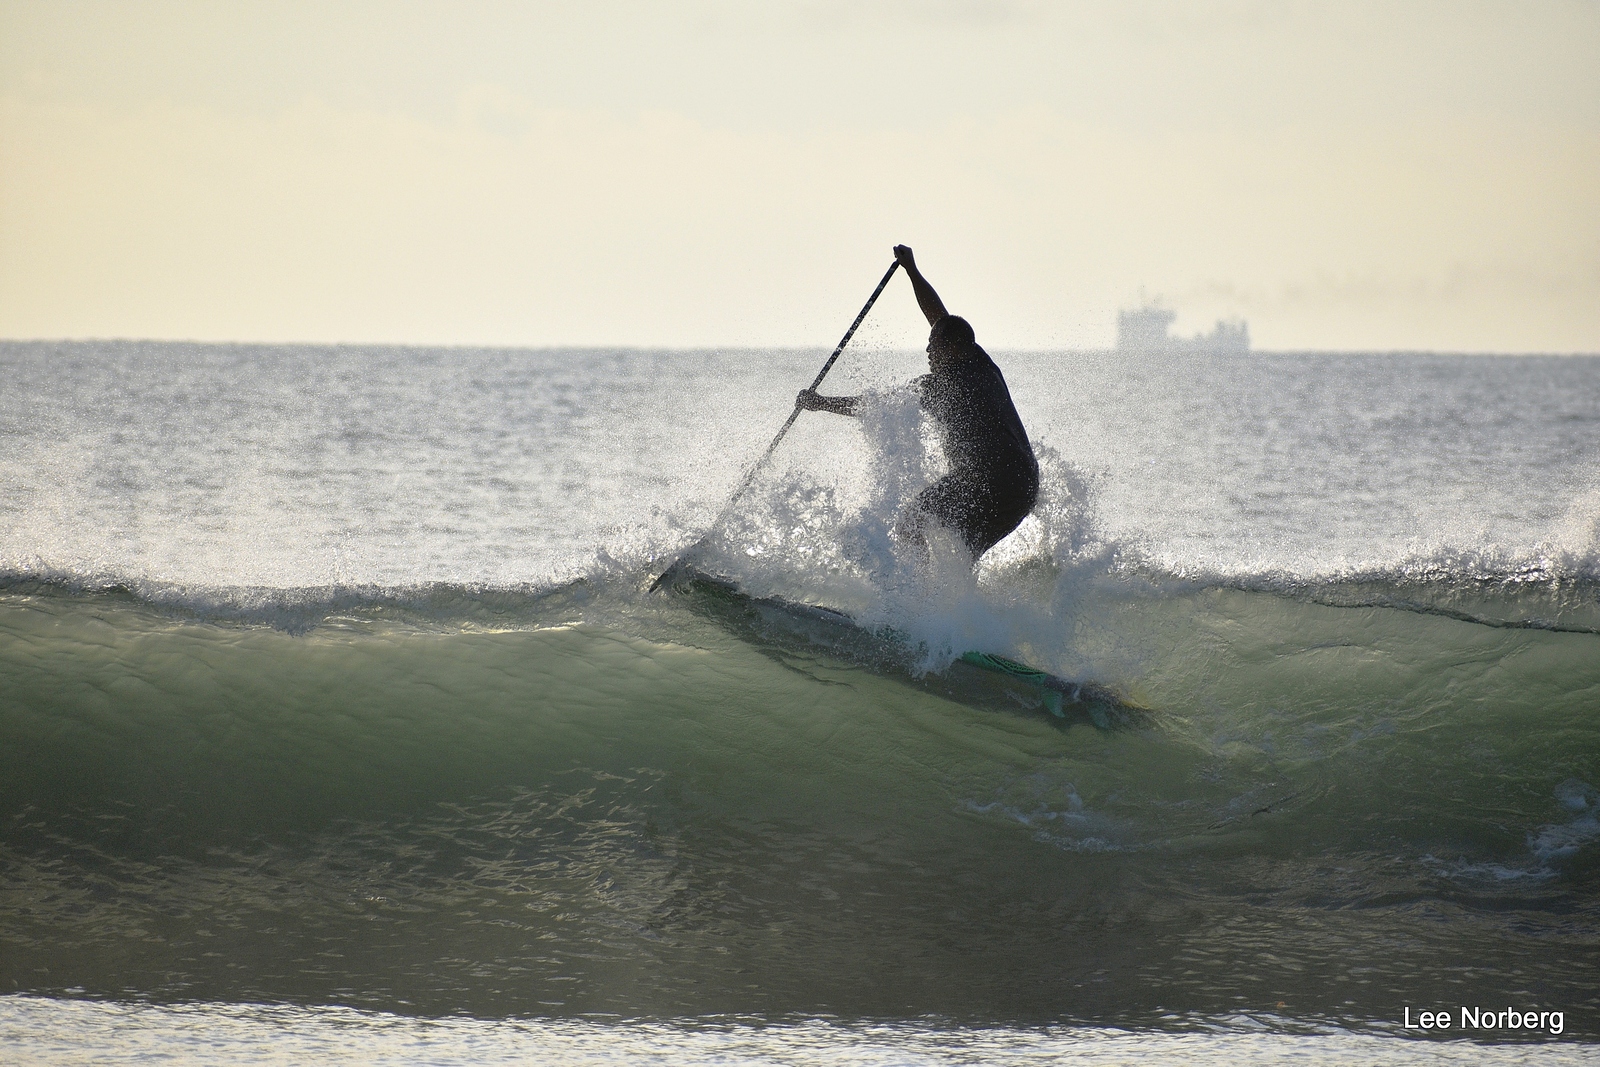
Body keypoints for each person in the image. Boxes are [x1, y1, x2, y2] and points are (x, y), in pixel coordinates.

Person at [797, 244, 1039, 566]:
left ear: (951, 347)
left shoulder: (938, 386)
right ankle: (958, 613)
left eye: (932, 346)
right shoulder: (981, 362)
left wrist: (822, 403)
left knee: (911, 521)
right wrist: (912, 271)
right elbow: (939, 318)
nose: (928, 352)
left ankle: (916, 603)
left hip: (990, 477)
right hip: (1024, 484)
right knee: (964, 549)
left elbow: (876, 406)